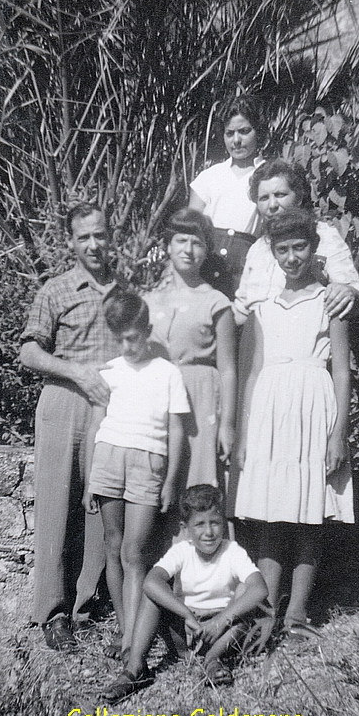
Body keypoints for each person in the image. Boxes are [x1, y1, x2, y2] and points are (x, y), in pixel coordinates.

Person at [234, 209, 354, 650]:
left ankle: (297, 613)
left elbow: (342, 372)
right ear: (271, 252)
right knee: (269, 513)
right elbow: (250, 373)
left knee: (308, 514)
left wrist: (338, 432)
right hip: (268, 411)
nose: (291, 257)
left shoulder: (331, 302)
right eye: (281, 249)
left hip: (313, 407)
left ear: (313, 249)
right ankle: (266, 612)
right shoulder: (262, 309)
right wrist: (245, 435)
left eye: (299, 247)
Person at [19, 203, 120, 652]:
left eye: (100, 235)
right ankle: (53, 612)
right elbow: (29, 354)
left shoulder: (127, 291)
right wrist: (78, 372)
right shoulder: (56, 290)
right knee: (58, 505)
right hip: (64, 401)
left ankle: (87, 606)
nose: (94, 245)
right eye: (84, 238)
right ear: (71, 243)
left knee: (100, 504)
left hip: (114, 408)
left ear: (110, 236)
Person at [84, 291, 190, 660]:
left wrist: (172, 479)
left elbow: (177, 430)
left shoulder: (167, 373)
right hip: (109, 460)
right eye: (120, 338)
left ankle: (133, 640)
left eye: (133, 336)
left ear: (147, 330)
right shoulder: (109, 373)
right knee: (113, 546)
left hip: (149, 463)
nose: (127, 346)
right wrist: (88, 481)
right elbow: (96, 426)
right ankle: (124, 629)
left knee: (135, 550)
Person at [102, 484, 269, 701]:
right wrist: (186, 615)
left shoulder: (232, 551)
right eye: (199, 524)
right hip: (187, 628)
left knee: (246, 599)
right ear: (185, 528)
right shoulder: (182, 551)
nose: (209, 532)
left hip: (221, 632)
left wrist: (220, 620)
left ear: (224, 524)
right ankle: (135, 668)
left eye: (215, 523)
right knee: (152, 595)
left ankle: (212, 660)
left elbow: (260, 588)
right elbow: (151, 582)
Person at [144, 208, 236, 507]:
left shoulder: (216, 301)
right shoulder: (148, 299)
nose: (188, 250)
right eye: (181, 241)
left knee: (197, 485)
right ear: (167, 245)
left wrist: (227, 424)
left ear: (206, 250)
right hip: (157, 398)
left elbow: (228, 369)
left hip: (201, 400)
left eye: (197, 243)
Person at [234, 157, 359, 325]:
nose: (272, 205)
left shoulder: (323, 235)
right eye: (264, 198)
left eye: (280, 195)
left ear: (298, 197)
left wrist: (349, 292)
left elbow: (357, 296)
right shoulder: (257, 249)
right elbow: (240, 310)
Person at [189, 95, 266, 297]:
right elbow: (190, 225)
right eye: (229, 133)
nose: (237, 140)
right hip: (207, 265)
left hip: (247, 269)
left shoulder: (268, 174)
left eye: (244, 131)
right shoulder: (209, 176)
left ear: (258, 132)